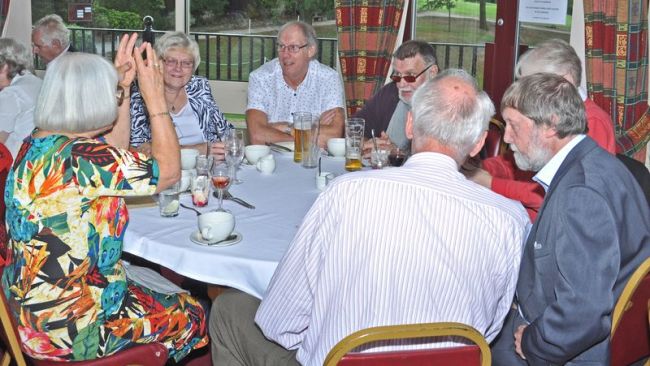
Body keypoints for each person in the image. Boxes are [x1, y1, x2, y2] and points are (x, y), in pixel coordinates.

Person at [209, 69, 530, 366]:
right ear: (477, 144)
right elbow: (488, 330)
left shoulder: (346, 193)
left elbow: (281, 323)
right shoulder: (510, 220)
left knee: (228, 309)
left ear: (410, 124)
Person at [1, 36, 208, 362]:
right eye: (109, 93)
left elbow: (116, 152)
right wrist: (154, 99)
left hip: (29, 311)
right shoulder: (83, 158)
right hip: (73, 325)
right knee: (193, 312)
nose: (113, 98)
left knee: (154, 284)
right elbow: (168, 173)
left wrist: (123, 89)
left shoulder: (40, 142)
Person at [491, 73, 650, 365]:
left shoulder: (581, 194)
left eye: (514, 125)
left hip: (566, 349)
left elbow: (582, 309)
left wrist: (534, 342)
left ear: (550, 125)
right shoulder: (598, 164)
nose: (507, 138)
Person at [463, 39, 617, 221]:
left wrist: (490, 182)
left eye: (534, 85)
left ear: (565, 81)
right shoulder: (544, 116)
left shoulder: (593, 122)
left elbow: (553, 195)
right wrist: (477, 169)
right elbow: (513, 163)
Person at [130, 31, 231, 157]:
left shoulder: (199, 86)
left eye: (186, 63)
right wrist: (200, 150)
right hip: (160, 172)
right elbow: (132, 150)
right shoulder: (138, 93)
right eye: (171, 61)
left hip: (204, 169)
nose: (178, 68)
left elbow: (227, 133)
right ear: (157, 63)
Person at [246, 21, 345, 147]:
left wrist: (283, 128)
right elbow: (257, 136)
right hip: (272, 162)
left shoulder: (328, 79)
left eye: (293, 47)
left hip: (313, 163)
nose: (285, 54)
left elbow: (332, 137)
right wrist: (312, 129)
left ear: (310, 50)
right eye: (281, 46)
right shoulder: (260, 78)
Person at [354, 40, 438, 153]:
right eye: (397, 75)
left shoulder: (448, 105)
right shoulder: (391, 92)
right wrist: (366, 144)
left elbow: (444, 162)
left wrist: (396, 154)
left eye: (410, 76)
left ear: (432, 72)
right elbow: (355, 127)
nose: (401, 84)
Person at [0, 38, 42, 156]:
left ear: (4, 67)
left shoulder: (11, 94)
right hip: (37, 158)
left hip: (14, 163)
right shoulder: (37, 82)